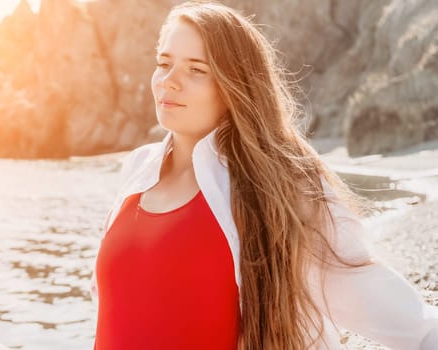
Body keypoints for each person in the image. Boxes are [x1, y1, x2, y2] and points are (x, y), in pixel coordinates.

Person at [90, 1, 438, 349]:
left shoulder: (280, 184)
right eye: (164, 64)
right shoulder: (137, 170)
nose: (169, 81)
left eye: (197, 70)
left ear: (233, 85)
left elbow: (372, 292)